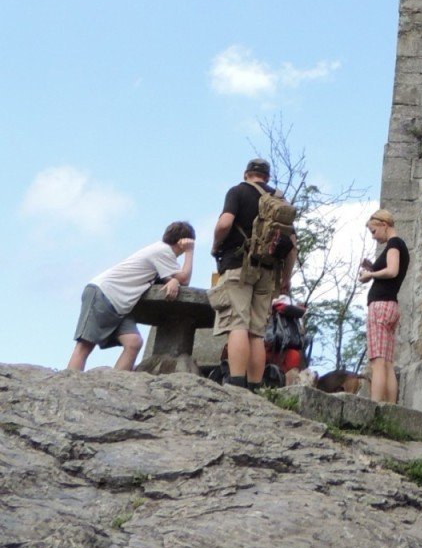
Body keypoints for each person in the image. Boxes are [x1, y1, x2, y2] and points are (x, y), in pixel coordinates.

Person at [210, 158, 295, 391]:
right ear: (267, 177)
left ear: (247, 174)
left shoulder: (238, 192)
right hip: (267, 271)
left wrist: (216, 245)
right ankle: (255, 386)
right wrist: (285, 278)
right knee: (256, 332)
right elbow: (292, 245)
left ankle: (236, 384)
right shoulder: (279, 201)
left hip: (237, 264)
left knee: (237, 324)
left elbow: (224, 224)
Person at [67, 222, 195, 371]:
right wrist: (190, 252)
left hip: (120, 305)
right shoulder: (163, 251)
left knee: (133, 342)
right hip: (104, 294)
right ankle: (66, 386)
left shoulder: (162, 254)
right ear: (183, 241)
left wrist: (174, 280)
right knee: (85, 345)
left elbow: (175, 280)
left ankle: (115, 386)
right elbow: (185, 279)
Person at [358, 209, 409, 404]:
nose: (373, 236)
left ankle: (375, 407)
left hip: (380, 306)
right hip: (390, 306)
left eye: (373, 231)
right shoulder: (398, 246)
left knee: (378, 362)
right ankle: (390, 408)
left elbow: (393, 270)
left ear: (383, 225)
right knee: (387, 363)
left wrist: (370, 275)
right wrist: (373, 269)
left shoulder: (394, 244)